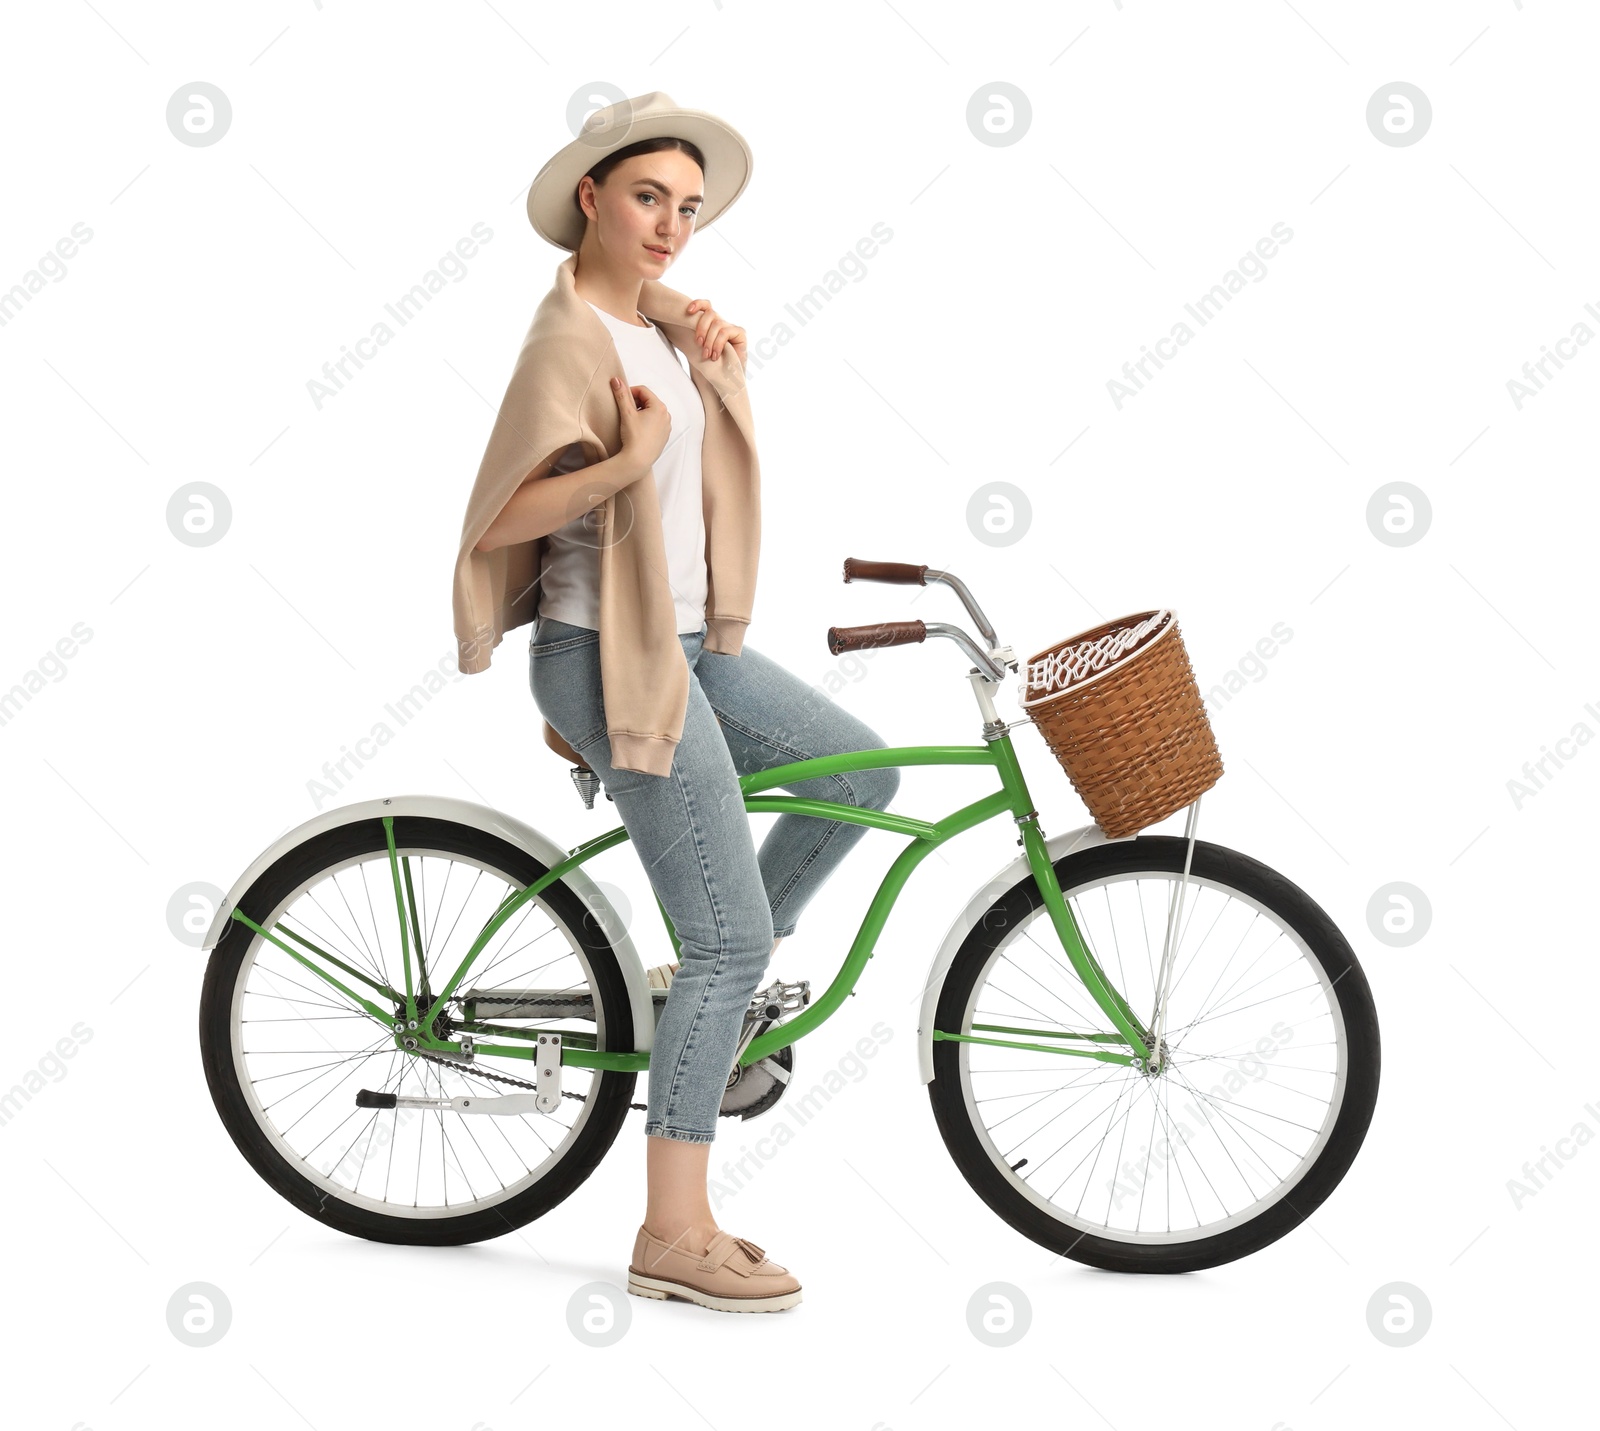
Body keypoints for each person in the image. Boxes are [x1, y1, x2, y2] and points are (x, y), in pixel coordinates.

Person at [471, 94, 898, 1313]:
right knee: (727, 937)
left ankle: (718, 996)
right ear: (593, 196)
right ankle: (672, 1230)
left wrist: (710, 364)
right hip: (611, 655)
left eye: (689, 209)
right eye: (649, 198)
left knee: (860, 775)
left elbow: (691, 472)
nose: (670, 228)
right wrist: (618, 461)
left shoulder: (656, 325)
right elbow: (495, 520)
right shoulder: (569, 342)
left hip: (690, 647)